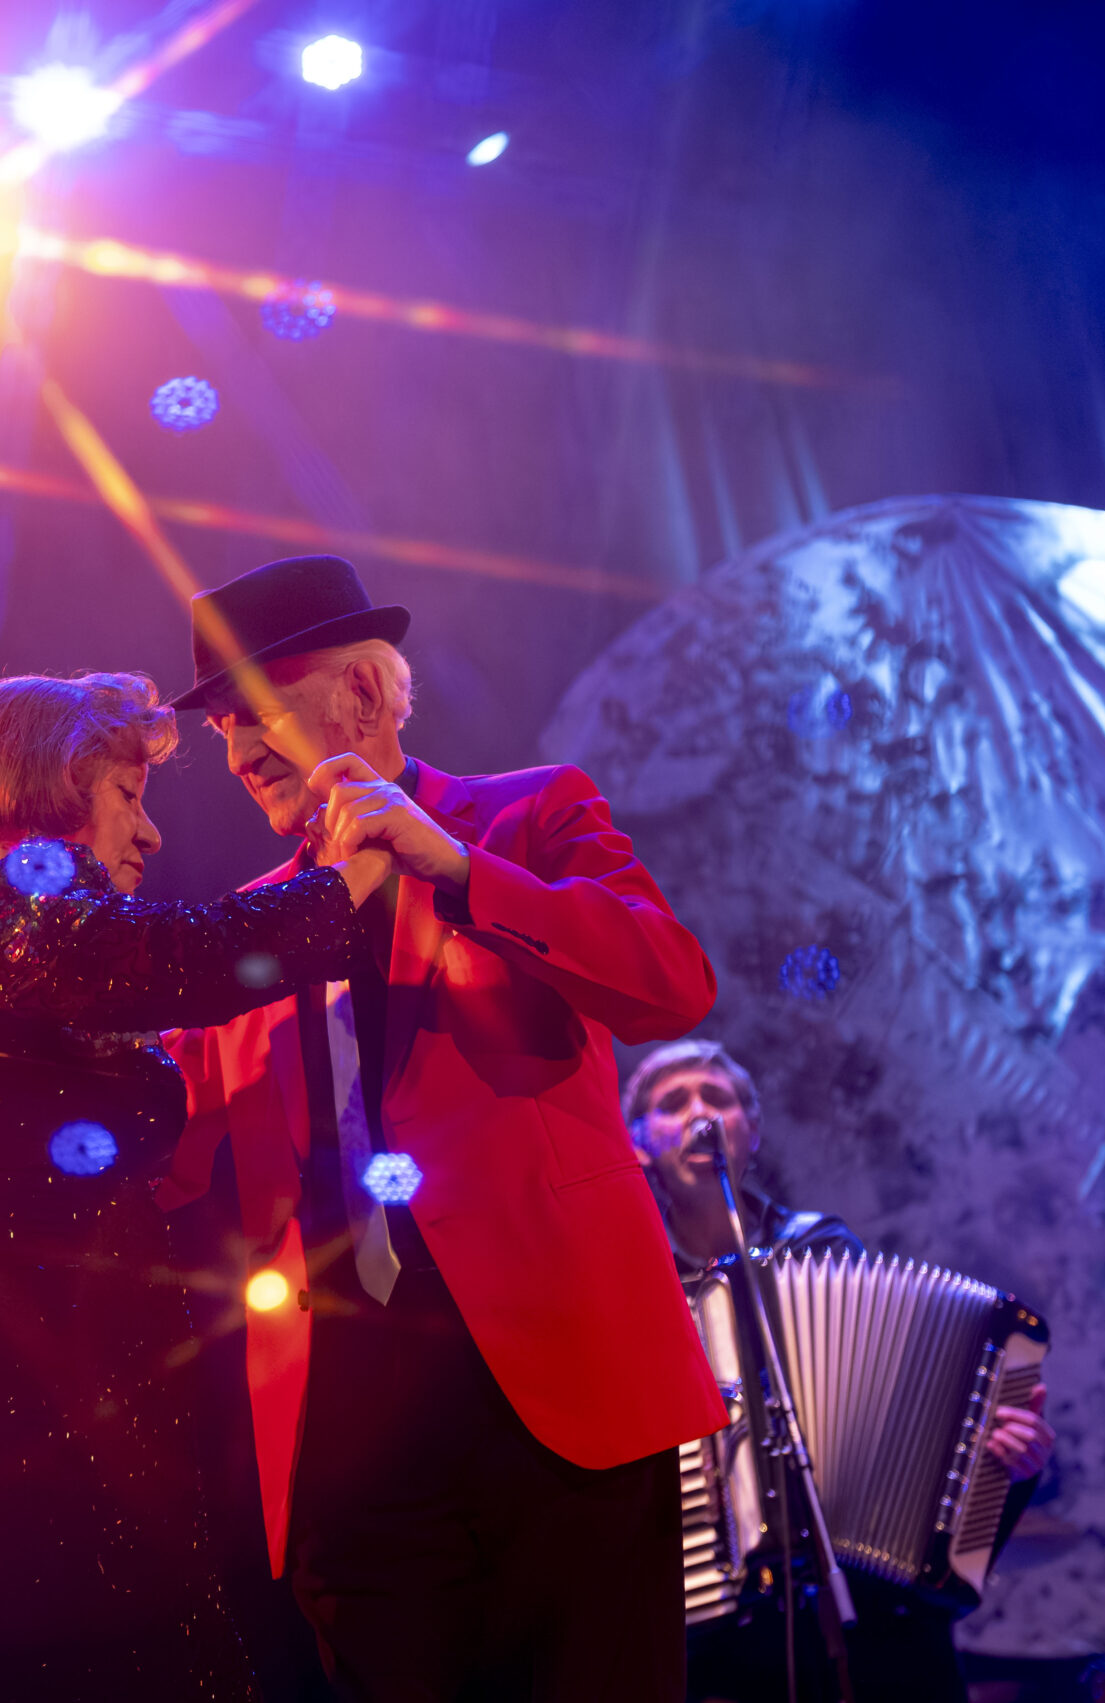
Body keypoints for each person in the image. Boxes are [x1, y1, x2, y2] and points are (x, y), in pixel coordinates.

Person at [159, 555, 728, 1702]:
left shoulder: (530, 812)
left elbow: (672, 985)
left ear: (365, 692)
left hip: (561, 1387)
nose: (239, 755)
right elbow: (161, 1144)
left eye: (256, 712)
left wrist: (462, 871)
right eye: (220, 730)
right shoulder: (248, 930)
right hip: (345, 1425)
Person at [0, 670, 396, 1700]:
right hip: (27, 1414)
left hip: (25, 1395)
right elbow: (196, 954)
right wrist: (358, 864)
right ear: (52, 783)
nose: (148, 832)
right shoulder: (1, 903)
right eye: (127, 795)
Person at [620, 1039, 1057, 1703]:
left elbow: (917, 1436)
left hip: (875, 1619)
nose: (699, 1114)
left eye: (718, 1098)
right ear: (639, 1144)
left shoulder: (820, 1248)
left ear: (752, 1129)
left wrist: (1002, 1466)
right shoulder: (634, 1286)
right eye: (672, 1104)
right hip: (728, 1643)